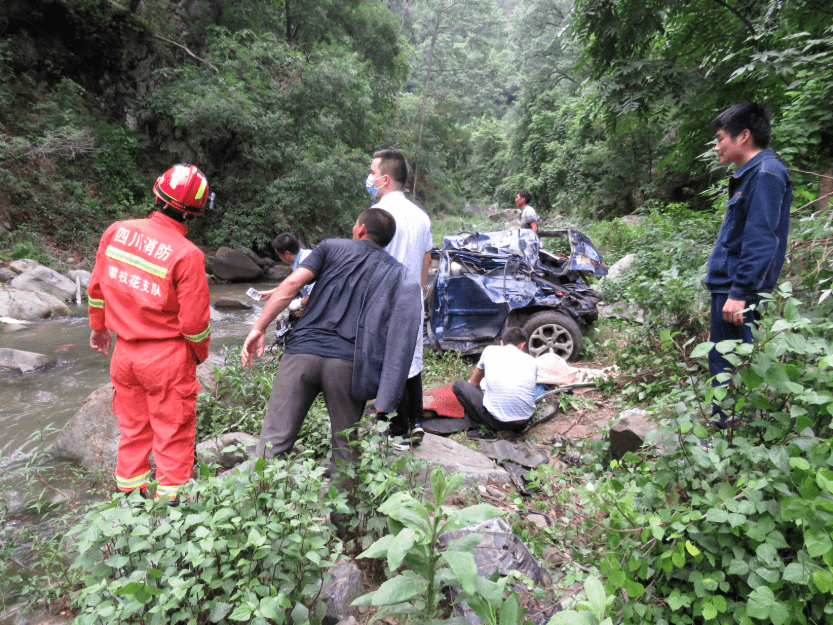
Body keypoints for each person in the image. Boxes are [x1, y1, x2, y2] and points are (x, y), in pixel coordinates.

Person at [241, 208, 421, 477]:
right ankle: (340, 518)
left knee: (273, 444)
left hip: (300, 354)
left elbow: (292, 284)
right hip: (348, 364)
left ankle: (259, 507)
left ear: (360, 229)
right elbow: (402, 336)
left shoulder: (330, 248)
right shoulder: (398, 274)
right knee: (345, 449)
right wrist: (387, 398)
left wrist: (259, 327)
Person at [88, 164, 213, 500]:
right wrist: (198, 354)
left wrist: (99, 329)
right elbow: (194, 324)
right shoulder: (188, 254)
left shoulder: (117, 231)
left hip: (124, 353)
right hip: (166, 357)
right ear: (195, 212)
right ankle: (172, 513)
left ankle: (130, 503)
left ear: (157, 193)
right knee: (173, 434)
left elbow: (97, 286)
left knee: (133, 432)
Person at [706, 102, 792, 427]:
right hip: (729, 287)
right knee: (723, 360)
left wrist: (739, 292)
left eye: (720, 138)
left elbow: (761, 239)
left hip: (737, 291)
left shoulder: (767, 174)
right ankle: (728, 433)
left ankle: (729, 437)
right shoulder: (754, 174)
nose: (716, 146)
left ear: (743, 136)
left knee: (733, 365)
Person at [366, 148, 433, 450]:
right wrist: (421, 288)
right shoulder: (421, 216)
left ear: (385, 178)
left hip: (385, 300)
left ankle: (398, 432)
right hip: (412, 297)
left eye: (371, 172)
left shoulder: (377, 216)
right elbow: (427, 254)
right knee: (411, 359)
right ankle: (417, 421)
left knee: (389, 363)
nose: (369, 178)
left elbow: (368, 259)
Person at [451, 327, 538, 433]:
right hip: (524, 422)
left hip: (498, 423)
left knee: (459, 385)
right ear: (522, 345)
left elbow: (474, 382)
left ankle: (481, 429)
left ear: (501, 343)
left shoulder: (489, 351)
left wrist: (479, 392)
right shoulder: (532, 361)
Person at [263, 232, 314, 302]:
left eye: (279, 255)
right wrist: (272, 292)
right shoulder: (307, 254)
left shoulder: (305, 263)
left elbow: (315, 294)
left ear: (287, 254)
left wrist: (299, 304)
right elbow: (293, 286)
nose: (279, 258)